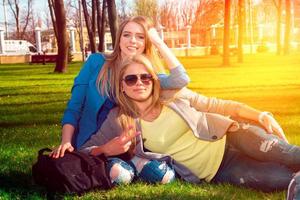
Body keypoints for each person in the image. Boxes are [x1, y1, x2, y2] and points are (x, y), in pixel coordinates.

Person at [80, 54, 300, 198]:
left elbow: (217, 105)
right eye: (131, 79)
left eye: (146, 77)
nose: (139, 83)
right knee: (279, 179)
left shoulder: (173, 95)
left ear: (154, 81)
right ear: (122, 86)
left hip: (231, 136)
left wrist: (259, 114)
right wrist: (106, 150)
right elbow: (86, 151)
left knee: (289, 154)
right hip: (219, 170)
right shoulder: (118, 118)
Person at [50, 16, 190, 158]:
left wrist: (159, 43)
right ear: (119, 39)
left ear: (146, 42)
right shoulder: (96, 62)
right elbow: (75, 106)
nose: (132, 41)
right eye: (127, 35)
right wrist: (66, 141)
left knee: (129, 173)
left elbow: (181, 79)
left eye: (140, 37)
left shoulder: (146, 74)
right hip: (89, 143)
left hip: (126, 146)